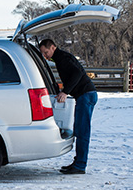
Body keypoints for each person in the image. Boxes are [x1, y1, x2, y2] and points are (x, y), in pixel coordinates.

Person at [39, 38, 97, 175]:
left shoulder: (63, 58)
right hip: (84, 95)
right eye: (43, 53)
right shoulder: (60, 58)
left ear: (53, 47)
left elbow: (77, 74)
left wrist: (65, 91)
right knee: (79, 129)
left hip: (86, 95)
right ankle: (78, 162)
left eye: (46, 52)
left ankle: (80, 165)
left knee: (82, 131)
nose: (45, 55)